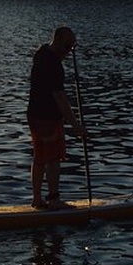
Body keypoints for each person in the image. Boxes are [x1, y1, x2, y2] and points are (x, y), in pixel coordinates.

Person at [27, 26, 86, 210]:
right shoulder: (53, 64)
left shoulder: (42, 51)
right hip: (47, 116)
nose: (69, 52)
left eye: (72, 47)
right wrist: (76, 125)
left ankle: (37, 199)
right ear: (58, 40)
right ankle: (53, 199)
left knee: (40, 157)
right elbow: (59, 96)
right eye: (68, 46)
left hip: (34, 113)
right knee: (52, 158)